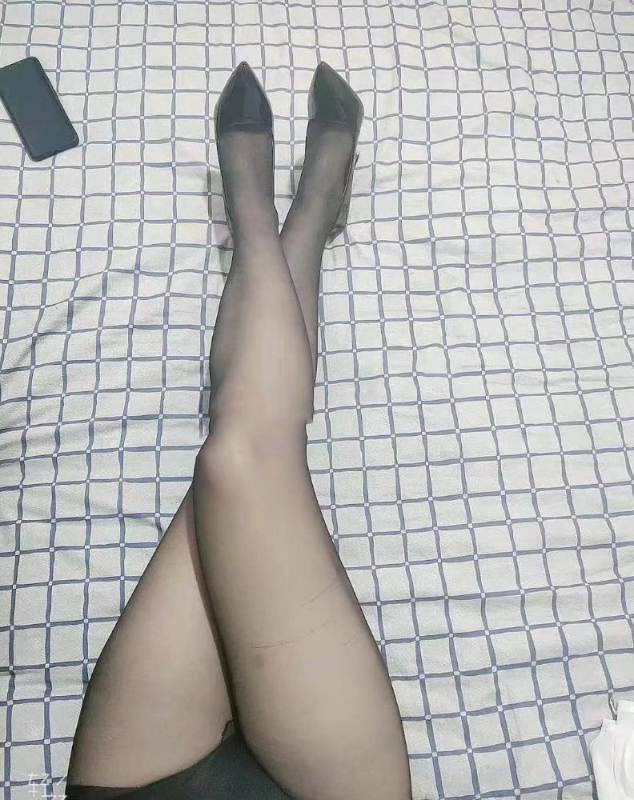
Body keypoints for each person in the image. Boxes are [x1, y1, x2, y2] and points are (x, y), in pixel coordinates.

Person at [66, 61, 412, 800]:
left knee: (233, 457)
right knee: (246, 452)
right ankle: (298, 214)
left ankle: (269, 214)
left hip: (142, 786)